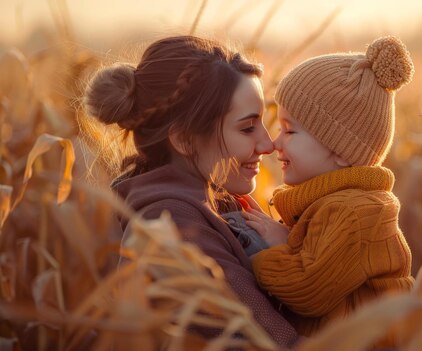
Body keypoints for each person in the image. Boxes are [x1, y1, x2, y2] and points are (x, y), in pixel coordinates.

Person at [83, 35, 298, 347]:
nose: (268, 144)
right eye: (247, 127)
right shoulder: (176, 227)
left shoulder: (220, 200)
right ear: (184, 139)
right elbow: (272, 343)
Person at [244, 36, 416, 347]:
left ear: (341, 149)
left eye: (290, 130)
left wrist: (258, 253)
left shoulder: (356, 212)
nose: (276, 142)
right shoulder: (332, 203)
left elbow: (308, 288)